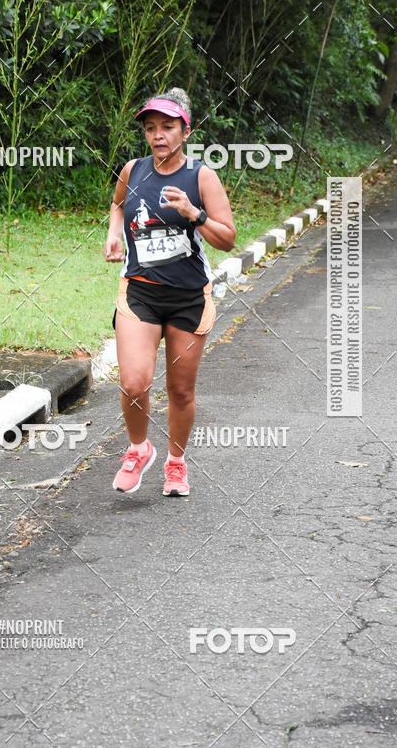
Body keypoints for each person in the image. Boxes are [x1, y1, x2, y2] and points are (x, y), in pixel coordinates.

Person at [103, 87, 236, 496]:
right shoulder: (133, 170)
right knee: (134, 383)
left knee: (180, 390)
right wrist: (114, 235)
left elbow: (227, 239)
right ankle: (139, 448)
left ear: (184, 131)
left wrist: (193, 214)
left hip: (188, 297)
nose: (158, 135)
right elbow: (118, 204)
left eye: (167, 127)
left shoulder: (202, 177)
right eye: (150, 128)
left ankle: (176, 463)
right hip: (140, 292)